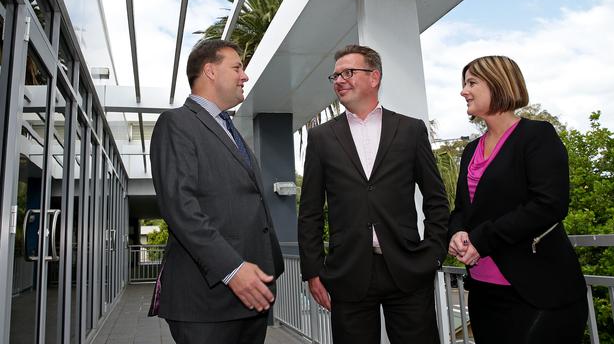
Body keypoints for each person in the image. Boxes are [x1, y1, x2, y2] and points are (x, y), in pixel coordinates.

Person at [298, 44, 449, 344]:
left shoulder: (410, 130)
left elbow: (436, 198)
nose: (339, 80)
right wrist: (313, 271)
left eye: (348, 72)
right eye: (336, 75)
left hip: (408, 270)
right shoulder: (321, 137)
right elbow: (311, 211)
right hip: (348, 273)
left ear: (374, 77)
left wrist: (432, 254)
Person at [149, 38, 284, 344]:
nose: (244, 75)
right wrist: (233, 269)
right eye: (237, 67)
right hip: (205, 303)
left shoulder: (230, 129)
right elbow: (180, 207)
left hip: (250, 299)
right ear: (210, 71)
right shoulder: (176, 123)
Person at [448, 55, 588, 344]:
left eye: (471, 82)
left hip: (539, 291)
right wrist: (457, 231)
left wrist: (481, 240)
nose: (463, 91)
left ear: (498, 84)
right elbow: (463, 209)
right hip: (484, 293)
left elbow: (550, 204)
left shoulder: (537, 135)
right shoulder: (471, 149)